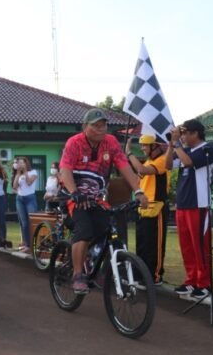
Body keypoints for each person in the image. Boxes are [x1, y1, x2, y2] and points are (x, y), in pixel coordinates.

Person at [59, 108, 148, 294]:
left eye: (104, 125)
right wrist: (74, 192)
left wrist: (139, 191)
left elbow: (124, 166)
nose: (101, 129)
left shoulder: (111, 142)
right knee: (84, 230)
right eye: (96, 126)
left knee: (104, 229)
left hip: (97, 197)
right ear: (85, 126)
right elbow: (65, 169)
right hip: (73, 195)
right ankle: (77, 274)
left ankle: (91, 259)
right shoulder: (74, 143)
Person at [165, 120, 213, 299]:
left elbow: (188, 163)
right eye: (182, 133)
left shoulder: (207, 150)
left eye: (185, 133)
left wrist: (178, 144)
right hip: (183, 205)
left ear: (195, 134)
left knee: (199, 246)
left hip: (199, 205)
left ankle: (204, 283)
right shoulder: (183, 149)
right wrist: (171, 145)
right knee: (186, 246)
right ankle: (191, 280)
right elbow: (168, 165)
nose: (183, 136)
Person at [126, 134, 170, 286]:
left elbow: (141, 169)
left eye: (145, 145)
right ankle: (141, 275)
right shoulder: (149, 161)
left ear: (155, 146)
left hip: (157, 208)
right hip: (143, 208)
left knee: (154, 245)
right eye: (142, 145)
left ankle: (155, 276)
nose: (143, 148)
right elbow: (137, 177)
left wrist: (129, 153)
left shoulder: (162, 160)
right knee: (143, 244)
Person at [12, 156, 38, 252]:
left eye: (22, 162)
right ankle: (26, 244)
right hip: (20, 198)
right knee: (24, 223)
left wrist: (25, 171)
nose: (20, 164)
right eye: (19, 163)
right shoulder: (19, 174)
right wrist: (18, 173)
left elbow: (29, 182)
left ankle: (33, 244)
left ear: (26, 163)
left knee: (32, 222)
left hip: (30, 198)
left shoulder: (33, 172)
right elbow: (14, 186)